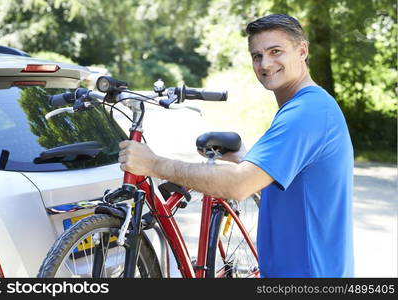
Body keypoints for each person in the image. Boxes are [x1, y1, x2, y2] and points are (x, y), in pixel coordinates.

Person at [118, 14, 354, 278]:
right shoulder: (309, 106)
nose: (265, 64)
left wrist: (153, 164)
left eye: (276, 51)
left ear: (302, 50)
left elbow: (240, 185)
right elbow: (299, 195)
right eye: (257, 56)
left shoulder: (307, 112)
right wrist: (245, 160)